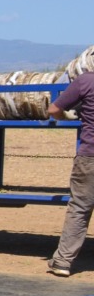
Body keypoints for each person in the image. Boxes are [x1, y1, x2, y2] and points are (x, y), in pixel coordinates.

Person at [47, 57, 94, 277]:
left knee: (80, 208)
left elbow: (53, 109)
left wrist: (65, 116)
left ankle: (63, 262)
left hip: (90, 156)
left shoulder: (85, 81)